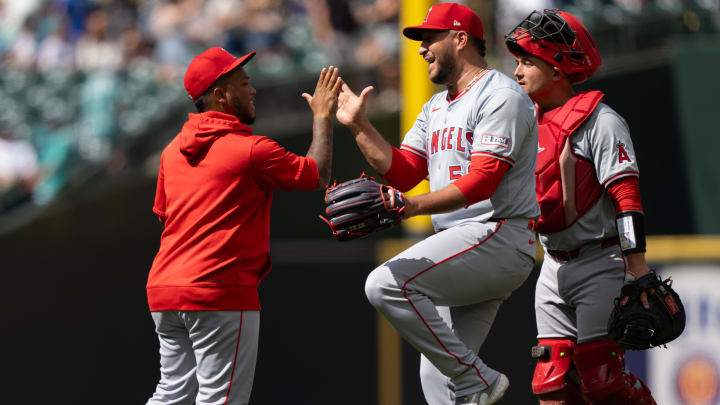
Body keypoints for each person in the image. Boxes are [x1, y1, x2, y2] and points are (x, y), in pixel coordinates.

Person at [335, 3, 540, 405]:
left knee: (385, 284)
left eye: (430, 38)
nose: (422, 49)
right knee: (437, 374)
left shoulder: (499, 95)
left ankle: (477, 376)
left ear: (461, 39)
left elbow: (483, 181)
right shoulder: (436, 106)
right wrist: (359, 126)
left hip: (497, 233)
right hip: (463, 245)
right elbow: (406, 170)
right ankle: (470, 380)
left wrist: (411, 207)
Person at [145, 47, 341, 405]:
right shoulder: (250, 150)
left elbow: (166, 217)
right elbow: (317, 174)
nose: (253, 90)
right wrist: (323, 116)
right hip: (218, 288)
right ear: (219, 95)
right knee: (222, 400)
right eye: (244, 83)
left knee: (172, 395)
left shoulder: (171, 151)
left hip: (164, 290)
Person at [505, 9, 656, 404]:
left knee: (602, 380)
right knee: (551, 384)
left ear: (556, 69)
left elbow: (627, 198)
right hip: (552, 265)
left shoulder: (600, 121)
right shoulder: (522, 121)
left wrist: (637, 268)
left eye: (526, 62)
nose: (517, 72)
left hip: (601, 260)